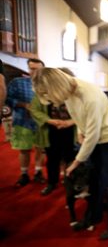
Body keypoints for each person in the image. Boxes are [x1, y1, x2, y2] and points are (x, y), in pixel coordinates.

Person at [32, 68, 108, 240]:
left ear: (56, 87)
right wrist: (79, 133)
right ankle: (94, 216)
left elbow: (94, 134)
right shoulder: (68, 91)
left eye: (48, 94)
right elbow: (77, 118)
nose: (50, 100)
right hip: (93, 137)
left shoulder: (90, 95)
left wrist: (76, 162)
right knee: (94, 180)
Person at [30, 67, 77, 196]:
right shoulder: (44, 90)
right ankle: (52, 182)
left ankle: (71, 181)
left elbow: (84, 112)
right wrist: (49, 120)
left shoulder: (75, 91)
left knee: (70, 157)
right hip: (51, 130)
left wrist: (72, 121)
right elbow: (34, 109)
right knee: (52, 158)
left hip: (71, 130)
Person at [6, 58, 46, 186]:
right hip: (23, 121)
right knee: (24, 150)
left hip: (41, 123)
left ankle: (38, 172)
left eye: (38, 69)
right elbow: (7, 98)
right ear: (28, 69)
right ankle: (24, 174)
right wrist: (23, 105)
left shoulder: (47, 85)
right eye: (32, 68)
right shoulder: (18, 82)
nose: (34, 71)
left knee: (41, 149)